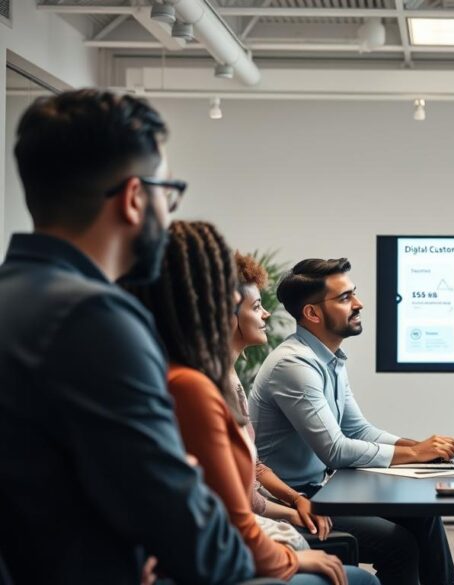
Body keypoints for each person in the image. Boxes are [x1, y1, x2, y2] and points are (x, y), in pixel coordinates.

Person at [0, 89, 253, 584]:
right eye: (167, 193)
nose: (169, 213)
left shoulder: (17, 299)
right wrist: (182, 477)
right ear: (135, 198)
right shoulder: (96, 319)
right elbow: (210, 553)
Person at [128, 221, 379, 585]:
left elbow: (249, 474)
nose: (266, 314)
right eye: (252, 304)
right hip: (219, 557)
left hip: (224, 541)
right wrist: (292, 554)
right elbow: (237, 515)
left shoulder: (214, 378)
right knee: (364, 578)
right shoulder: (193, 387)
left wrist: (292, 503)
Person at [250, 258, 454, 585]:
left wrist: (419, 448)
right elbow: (335, 450)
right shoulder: (293, 365)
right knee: (399, 545)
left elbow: (357, 429)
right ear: (312, 313)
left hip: (322, 490)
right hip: (290, 499)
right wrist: (415, 454)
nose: (358, 304)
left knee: (422, 514)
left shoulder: (328, 358)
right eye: (345, 298)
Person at [230, 251, 336, 541]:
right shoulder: (213, 384)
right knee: (397, 546)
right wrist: (292, 511)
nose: (266, 314)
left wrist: (295, 499)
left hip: (264, 505)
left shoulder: (232, 376)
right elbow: (244, 498)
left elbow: (253, 466)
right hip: (245, 523)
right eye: (257, 307)